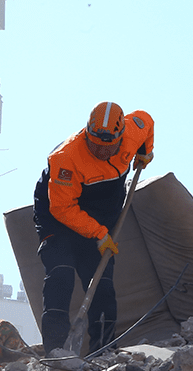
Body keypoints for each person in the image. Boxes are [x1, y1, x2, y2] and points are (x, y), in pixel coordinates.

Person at [33, 101, 154, 355]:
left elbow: (146, 120)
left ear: (120, 138)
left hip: (102, 212)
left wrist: (145, 151)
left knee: (102, 285)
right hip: (58, 212)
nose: (99, 150)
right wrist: (98, 234)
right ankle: (56, 351)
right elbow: (62, 209)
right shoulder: (66, 158)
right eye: (94, 143)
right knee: (61, 272)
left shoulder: (132, 132)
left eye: (107, 146)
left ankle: (103, 351)